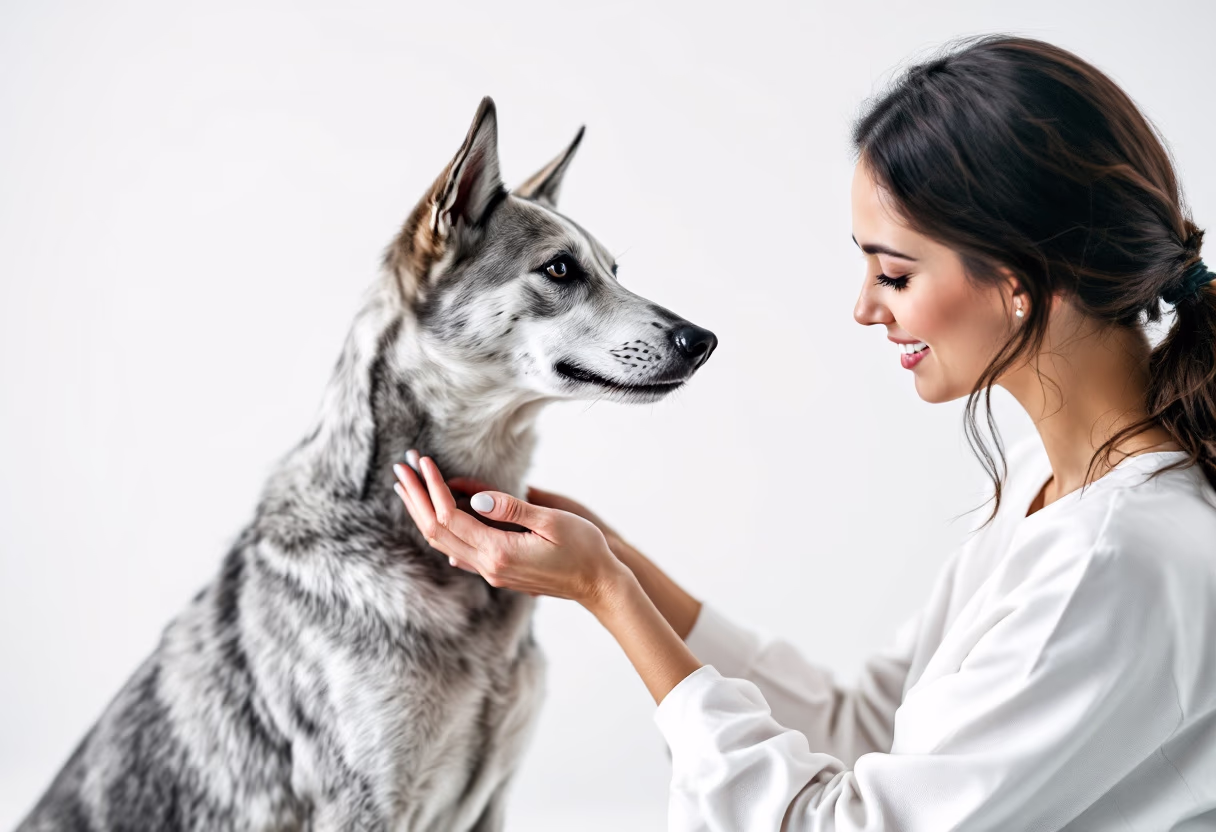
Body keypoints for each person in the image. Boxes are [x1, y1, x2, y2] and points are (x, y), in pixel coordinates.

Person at [392, 36, 1216, 830]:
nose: (865, 307)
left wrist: (606, 595)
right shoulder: (1050, 487)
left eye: (894, 272)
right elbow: (866, 729)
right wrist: (615, 558)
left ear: (1021, 276)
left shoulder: (1115, 560)